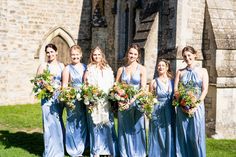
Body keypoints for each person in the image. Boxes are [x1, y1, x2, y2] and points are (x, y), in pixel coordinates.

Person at [84, 46, 118, 157]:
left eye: (98, 54)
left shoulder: (108, 68)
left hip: (106, 101)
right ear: (92, 56)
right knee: (95, 125)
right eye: (95, 55)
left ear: (102, 55)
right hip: (95, 100)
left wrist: (113, 96)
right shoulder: (89, 68)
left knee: (108, 124)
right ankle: (96, 151)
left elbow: (112, 83)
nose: (97, 56)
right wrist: (91, 96)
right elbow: (85, 85)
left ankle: (108, 149)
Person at [174, 46, 209, 157]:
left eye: (189, 55)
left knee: (196, 135)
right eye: (185, 56)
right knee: (183, 133)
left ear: (195, 55)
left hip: (197, 107)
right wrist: (182, 102)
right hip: (182, 107)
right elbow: (176, 90)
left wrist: (196, 105)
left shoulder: (203, 71)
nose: (187, 58)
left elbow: (205, 90)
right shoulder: (180, 72)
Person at [115, 43, 147, 157]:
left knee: (137, 127)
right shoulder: (121, 69)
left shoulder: (142, 69)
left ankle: (138, 153)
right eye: (130, 53)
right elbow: (116, 85)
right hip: (123, 102)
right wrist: (120, 94)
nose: (132, 55)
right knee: (124, 127)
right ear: (127, 54)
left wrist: (133, 99)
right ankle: (125, 153)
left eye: (135, 54)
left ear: (138, 56)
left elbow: (143, 88)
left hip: (137, 102)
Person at [36, 43, 65, 157]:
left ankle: (59, 150)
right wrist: (44, 85)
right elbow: (37, 82)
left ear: (56, 52)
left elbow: (65, 82)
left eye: (52, 52)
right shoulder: (43, 66)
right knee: (48, 124)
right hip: (47, 99)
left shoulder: (61, 66)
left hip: (58, 99)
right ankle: (50, 151)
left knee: (57, 122)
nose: (50, 54)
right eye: (48, 52)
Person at [62, 45, 88, 156]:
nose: (75, 56)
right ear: (70, 55)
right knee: (72, 122)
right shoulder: (67, 68)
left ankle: (81, 146)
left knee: (82, 122)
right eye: (73, 54)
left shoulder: (85, 67)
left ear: (81, 55)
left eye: (77, 54)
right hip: (72, 98)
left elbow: (87, 83)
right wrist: (68, 97)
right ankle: (73, 148)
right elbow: (64, 85)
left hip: (84, 98)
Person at [148, 59, 175, 157]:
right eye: (159, 66)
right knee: (157, 132)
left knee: (169, 130)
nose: (160, 67)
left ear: (167, 67)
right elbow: (150, 98)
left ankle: (169, 153)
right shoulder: (153, 82)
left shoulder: (172, 81)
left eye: (163, 65)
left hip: (170, 109)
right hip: (157, 109)